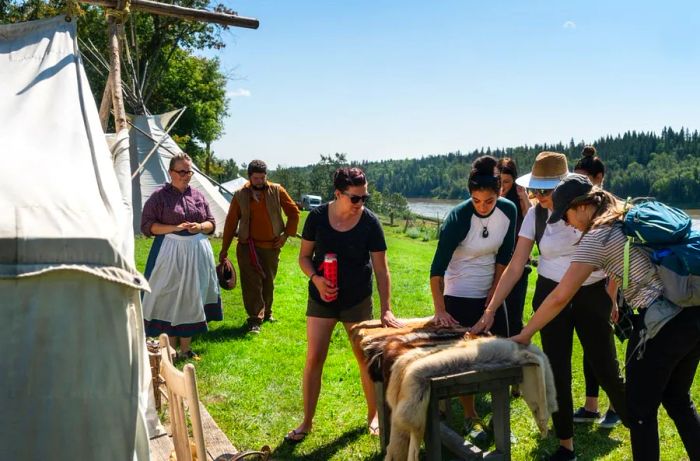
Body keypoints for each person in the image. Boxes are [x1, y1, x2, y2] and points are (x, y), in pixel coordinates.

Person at [511, 173, 700, 461]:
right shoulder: (628, 212)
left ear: (583, 206)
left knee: (639, 412)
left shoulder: (597, 237)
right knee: (677, 398)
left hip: (662, 323)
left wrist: (526, 333)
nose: (565, 222)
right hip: (692, 311)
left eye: (566, 215)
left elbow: (561, 296)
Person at [473, 152, 627, 461]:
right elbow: (516, 266)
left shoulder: (589, 211)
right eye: (535, 191)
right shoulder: (535, 215)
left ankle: (638, 426)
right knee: (556, 369)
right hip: (550, 293)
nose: (539, 197)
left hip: (590, 293)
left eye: (545, 191)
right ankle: (565, 444)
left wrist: (611, 296)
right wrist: (490, 309)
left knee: (605, 367)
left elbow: (614, 257)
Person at [285, 167, 403, 443]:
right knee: (315, 358)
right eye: (355, 198)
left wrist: (386, 308)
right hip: (322, 299)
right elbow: (304, 257)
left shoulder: (370, 223)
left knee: (365, 360)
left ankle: (373, 415)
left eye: (365, 198)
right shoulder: (316, 218)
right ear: (337, 194)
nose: (361, 203)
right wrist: (316, 279)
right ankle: (306, 423)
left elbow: (382, 270)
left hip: (357, 300)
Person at [430, 155, 517, 442]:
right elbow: (437, 269)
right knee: (465, 362)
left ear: (500, 192)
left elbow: (503, 261)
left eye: (489, 201)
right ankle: (470, 416)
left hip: (492, 292)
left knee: (500, 357)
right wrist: (440, 310)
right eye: (476, 201)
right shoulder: (458, 217)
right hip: (458, 293)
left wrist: (491, 304)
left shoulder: (509, 211)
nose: (482, 207)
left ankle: (498, 419)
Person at [141, 152, 222, 360]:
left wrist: (200, 226)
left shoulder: (198, 196)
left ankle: (186, 349)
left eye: (189, 171)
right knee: (167, 294)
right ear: (171, 173)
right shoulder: (159, 197)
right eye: (182, 171)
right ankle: (169, 348)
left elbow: (212, 223)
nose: (187, 175)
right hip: (169, 252)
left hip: (196, 252)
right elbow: (147, 226)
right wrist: (174, 227)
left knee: (191, 296)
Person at [219, 160, 300, 334]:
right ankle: (254, 318)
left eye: (263, 177)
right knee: (251, 283)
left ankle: (267, 312)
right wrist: (224, 249)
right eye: (256, 178)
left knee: (268, 282)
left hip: (271, 247)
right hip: (247, 247)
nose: (260, 181)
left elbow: (294, 213)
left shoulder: (277, 191)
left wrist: (285, 236)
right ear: (249, 177)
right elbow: (231, 223)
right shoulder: (240, 195)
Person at [572, 146, 622, 429]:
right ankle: (591, 405)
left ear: (599, 177)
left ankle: (616, 406)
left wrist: (612, 297)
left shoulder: (610, 206)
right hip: (591, 285)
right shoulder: (585, 207)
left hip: (610, 285)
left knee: (605, 349)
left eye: (585, 179)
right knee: (590, 348)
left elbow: (616, 259)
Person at [497, 157, 532, 337]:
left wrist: (525, 199)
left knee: (514, 317)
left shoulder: (520, 201)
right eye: (499, 182)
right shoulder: (488, 201)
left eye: (507, 182)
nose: (502, 187)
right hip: (495, 265)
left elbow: (534, 225)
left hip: (518, 267)